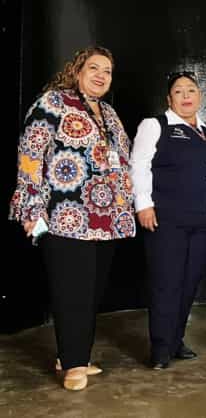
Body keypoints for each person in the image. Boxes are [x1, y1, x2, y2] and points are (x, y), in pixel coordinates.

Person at [8, 46, 136, 390]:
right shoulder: (52, 103)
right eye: (93, 68)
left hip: (106, 219)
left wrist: (126, 208)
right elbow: (30, 156)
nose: (101, 75)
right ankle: (74, 366)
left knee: (91, 291)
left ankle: (74, 355)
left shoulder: (108, 112)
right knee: (72, 291)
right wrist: (30, 209)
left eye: (107, 71)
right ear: (76, 70)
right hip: (66, 216)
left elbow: (121, 160)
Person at [129, 71, 206, 369]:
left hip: (205, 221)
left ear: (200, 96)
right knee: (166, 283)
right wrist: (143, 204)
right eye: (179, 91)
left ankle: (175, 340)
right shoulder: (155, 126)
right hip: (167, 220)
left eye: (191, 90)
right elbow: (139, 165)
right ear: (169, 99)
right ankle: (160, 348)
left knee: (188, 284)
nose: (186, 96)